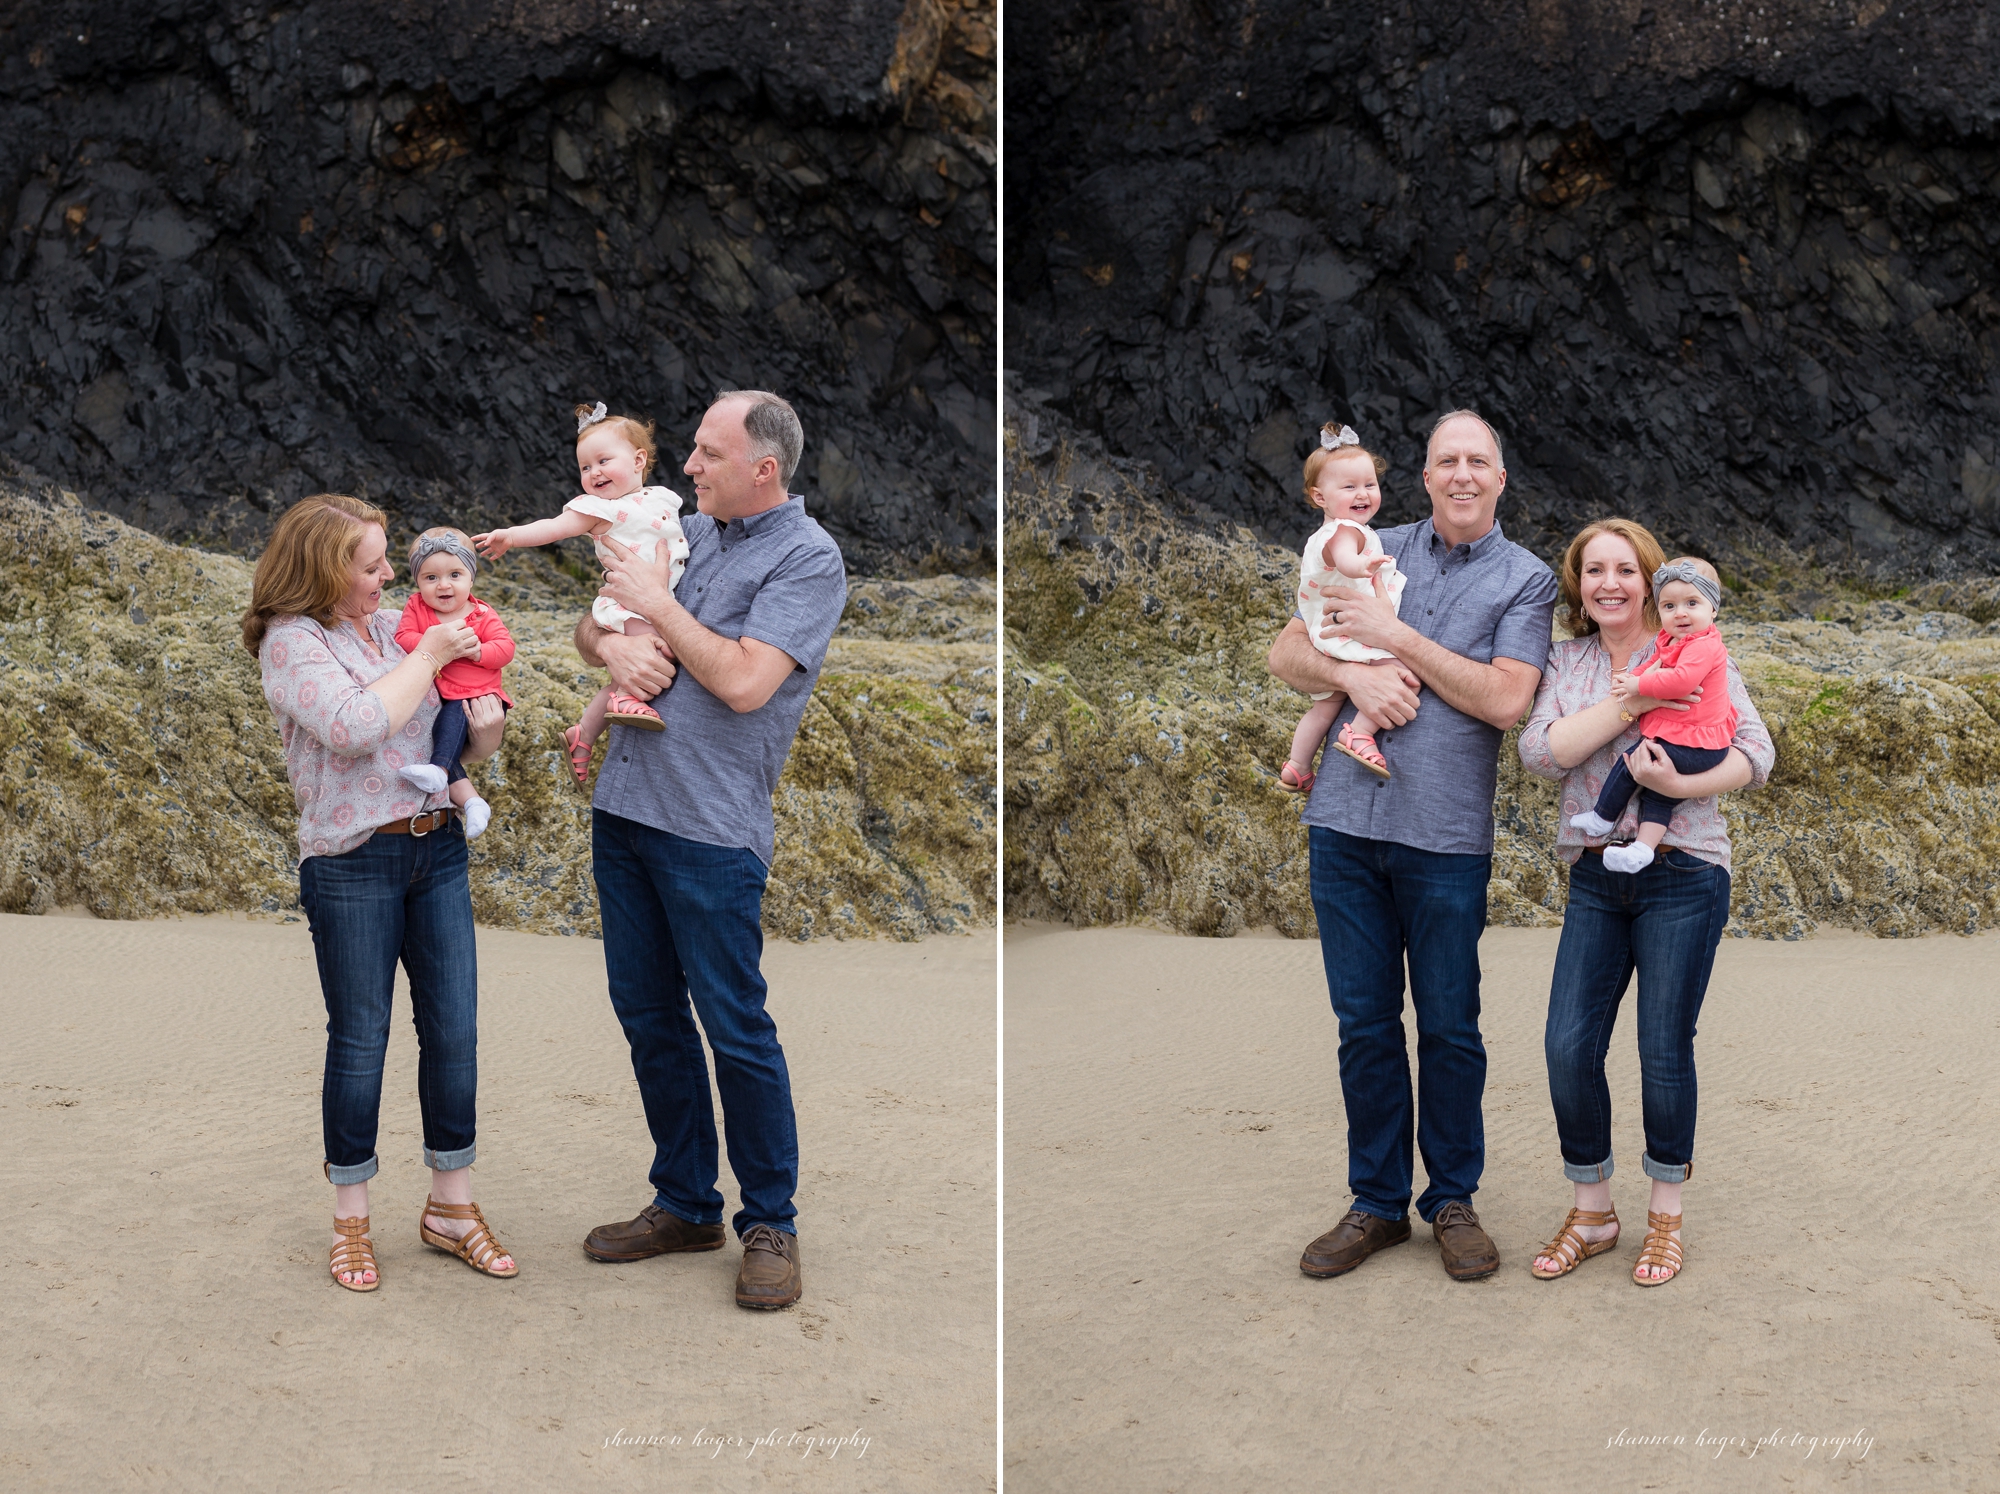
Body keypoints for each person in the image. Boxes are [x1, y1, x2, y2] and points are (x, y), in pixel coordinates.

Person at [570, 390, 847, 1310]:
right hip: (626, 810)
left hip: (713, 831)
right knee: (649, 1016)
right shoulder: (680, 531)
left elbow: (740, 682)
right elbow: (593, 625)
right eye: (690, 453)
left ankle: (770, 1223)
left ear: (762, 468)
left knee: (736, 1028)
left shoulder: (808, 559)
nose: (687, 467)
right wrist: (611, 653)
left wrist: (658, 605)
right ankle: (685, 1202)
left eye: (707, 455)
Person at [1267, 409, 1557, 1282]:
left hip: (1445, 839)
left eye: (1479, 461)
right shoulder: (1361, 540)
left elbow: (1505, 700)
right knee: (1363, 1025)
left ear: (1500, 479)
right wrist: (1352, 671)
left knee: (1451, 1027)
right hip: (1345, 832)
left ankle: (1453, 1201)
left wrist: (1392, 639)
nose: (1462, 474)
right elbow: (1289, 651)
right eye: (1445, 461)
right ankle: (1377, 1203)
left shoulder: (1527, 579)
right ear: (1423, 477)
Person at [243, 493, 517, 1291]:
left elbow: (463, 739)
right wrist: (429, 658)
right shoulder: (293, 642)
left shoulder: (387, 626)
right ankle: (351, 1220)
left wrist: (486, 715)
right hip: (352, 861)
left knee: (454, 1035)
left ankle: (450, 1208)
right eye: (372, 565)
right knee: (361, 1043)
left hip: (437, 850)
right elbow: (358, 726)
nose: (390, 575)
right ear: (328, 568)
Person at [1518, 519, 1772, 1286]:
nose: (1610, 585)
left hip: (1685, 872)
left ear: (1655, 583)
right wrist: (1634, 703)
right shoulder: (1565, 662)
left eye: (1625, 570)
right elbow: (1540, 752)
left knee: (1663, 1048)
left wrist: (1677, 786)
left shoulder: (1701, 650)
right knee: (1568, 1045)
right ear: (1579, 586)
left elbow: (1755, 754)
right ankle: (1592, 1210)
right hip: (1597, 877)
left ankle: (1665, 1216)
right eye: (1593, 571)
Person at [473, 401, 690, 785]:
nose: (594, 473)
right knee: (655, 653)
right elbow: (555, 527)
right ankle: (628, 700)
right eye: (585, 467)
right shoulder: (599, 510)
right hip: (629, 604)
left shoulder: (661, 498)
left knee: (642, 664)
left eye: (604, 460)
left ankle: (584, 734)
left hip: (658, 602)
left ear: (639, 459)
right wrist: (511, 536)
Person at [1568, 557, 1737, 874]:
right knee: (1658, 796)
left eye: (1692, 603)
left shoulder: (1704, 646)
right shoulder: (1675, 640)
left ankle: (1603, 816)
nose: (1680, 613)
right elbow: (1657, 665)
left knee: (1632, 764)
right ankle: (1642, 850)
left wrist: (1637, 685)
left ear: (1713, 609)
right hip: (1693, 741)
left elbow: (1681, 680)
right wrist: (1635, 677)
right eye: (1669, 606)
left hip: (1698, 745)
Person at [1279, 421, 1406, 790]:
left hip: (1327, 631)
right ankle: (1361, 733)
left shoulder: (1324, 534)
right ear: (1320, 497)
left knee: (1325, 706)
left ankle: (1297, 766)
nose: (1363, 493)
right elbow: (1346, 559)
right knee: (1400, 674)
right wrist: (1363, 566)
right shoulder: (1344, 531)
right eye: (1349, 487)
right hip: (1350, 632)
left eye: (1370, 484)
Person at [392, 527, 513, 839]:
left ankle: (441, 773)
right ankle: (472, 802)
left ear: (471, 578)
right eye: (430, 578)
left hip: (478, 697)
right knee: (435, 738)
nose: (443, 585)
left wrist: (479, 652)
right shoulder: (417, 607)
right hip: (443, 695)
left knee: (447, 729)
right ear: (418, 582)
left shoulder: (482, 614)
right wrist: (434, 644)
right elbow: (403, 637)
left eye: (455, 574)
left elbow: (505, 648)